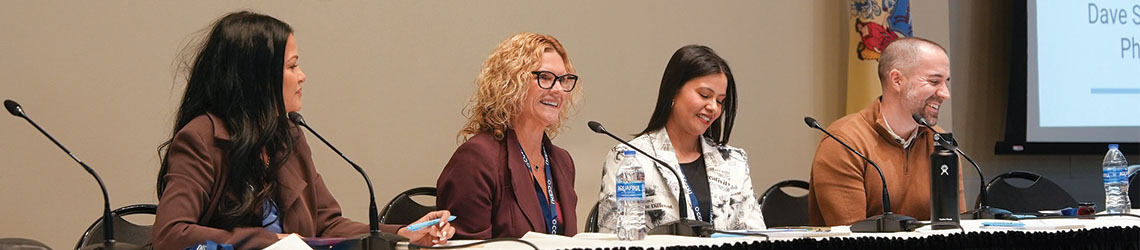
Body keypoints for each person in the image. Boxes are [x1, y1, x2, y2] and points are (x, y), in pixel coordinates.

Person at [152, 11, 453, 249]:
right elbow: (171, 235)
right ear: (258, 78)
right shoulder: (201, 138)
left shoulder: (288, 135)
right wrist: (269, 242)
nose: (302, 76)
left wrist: (402, 233)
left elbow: (327, 225)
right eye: (292, 66)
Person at [596, 45, 765, 232]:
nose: (713, 108)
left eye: (720, 101)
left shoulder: (734, 162)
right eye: (704, 95)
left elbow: (755, 234)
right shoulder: (629, 158)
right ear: (674, 90)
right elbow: (613, 236)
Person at [807, 37, 966, 226]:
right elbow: (852, 237)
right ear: (897, 80)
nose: (945, 94)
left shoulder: (940, 143)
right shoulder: (844, 142)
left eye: (945, 82)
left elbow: (956, 229)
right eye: (934, 81)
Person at [436, 32, 580, 239]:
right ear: (511, 83)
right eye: (545, 78)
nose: (558, 90)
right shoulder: (477, 159)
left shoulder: (562, 161)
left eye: (564, 80)